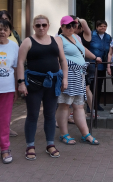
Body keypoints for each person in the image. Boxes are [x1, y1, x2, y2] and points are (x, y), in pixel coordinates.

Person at [17, 15, 68, 160]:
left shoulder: (56, 40)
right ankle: (30, 146)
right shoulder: (28, 41)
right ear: (33, 26)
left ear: (48, 25)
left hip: (52, 84)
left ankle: (50, 145)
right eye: (38, 25)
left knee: (50, 114)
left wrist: (65, 78)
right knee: (32, 115)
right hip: (33, 84)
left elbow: (63, 60)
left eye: (44, 25)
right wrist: (21, 83)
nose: (41, 28)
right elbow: (20, 63)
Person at [55, 16, 101, 145]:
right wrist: (63, 77)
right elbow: (58, 57)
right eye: (68, 26)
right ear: (62, 27)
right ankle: (64, 134)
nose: (71, 28)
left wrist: (95, 57)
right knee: (64, 105)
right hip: (68, 75)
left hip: (79, 75)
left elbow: (83, 50)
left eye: (73, 25)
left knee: (79, 106)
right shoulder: (59, 38)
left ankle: (85, 134)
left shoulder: (75, 37)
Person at [0, 19, 19, 164]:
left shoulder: (14, 46)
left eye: (5, 29)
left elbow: (17, 68)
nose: (2, 32)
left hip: (7, 89)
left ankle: (5, 149)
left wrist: (18, 87)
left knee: (4, 121)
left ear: (9, 31)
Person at [87, 20, 112, 112]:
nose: (103, 28)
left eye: (104, 26)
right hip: (92, 65)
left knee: (99, 85)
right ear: (96, 27)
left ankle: (96, 104)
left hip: (102, 65)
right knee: (92, 86)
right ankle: (89, 105)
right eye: (101, 26)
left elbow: (110, 50)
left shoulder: (108, 37)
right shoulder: (90, 35)